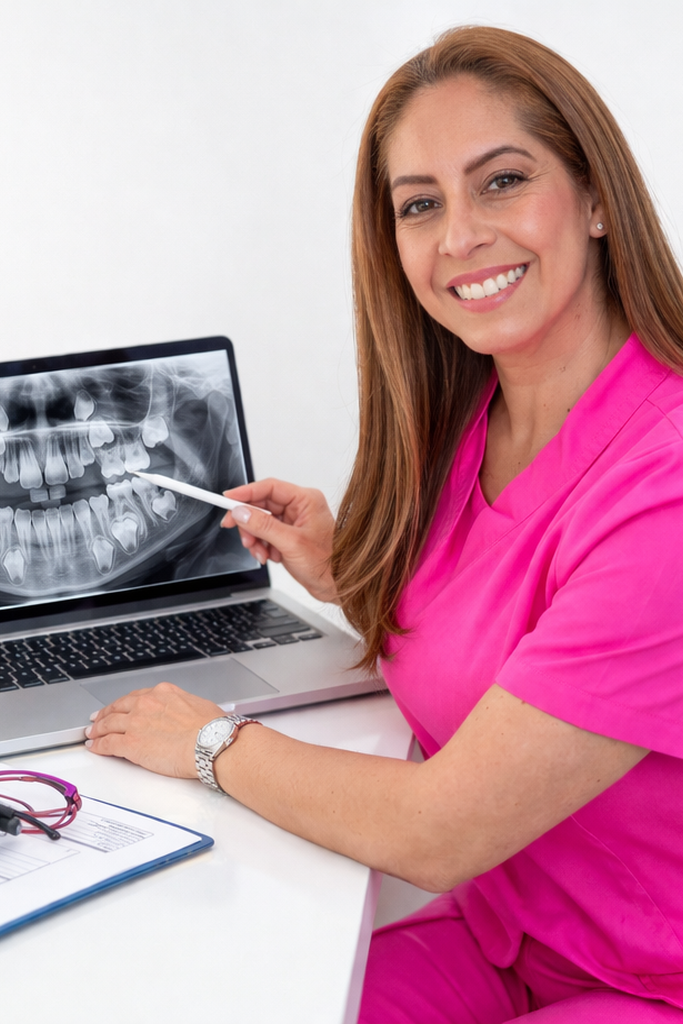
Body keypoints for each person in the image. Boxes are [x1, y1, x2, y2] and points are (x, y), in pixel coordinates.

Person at [85, 25, 683, 1023]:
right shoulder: (472, 426)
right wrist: (347, 573)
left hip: (649, 979)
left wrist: (207, 743)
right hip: (506, 940)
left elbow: (439, 830)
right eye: (419, 204)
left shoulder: (662, 486)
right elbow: (514, 632)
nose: (457, 236)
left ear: (591, 199)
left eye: (498, 181)